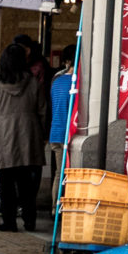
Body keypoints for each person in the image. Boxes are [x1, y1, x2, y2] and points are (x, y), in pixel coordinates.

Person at [0, 42, 48, 232]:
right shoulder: (33, 84)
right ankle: (30, 221)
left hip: (1, 140)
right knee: (26, 184)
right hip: (27, 138)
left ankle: (9, 222)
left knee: (5, 183)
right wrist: (43, 134)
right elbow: (43, 111)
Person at [45, 44, 77, 187]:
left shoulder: (56, 81)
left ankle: (54, 208)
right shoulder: (77, 83)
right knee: (70, 174)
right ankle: (62, 206)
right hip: (68, 134)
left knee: (59, 173)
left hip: (55, 133)